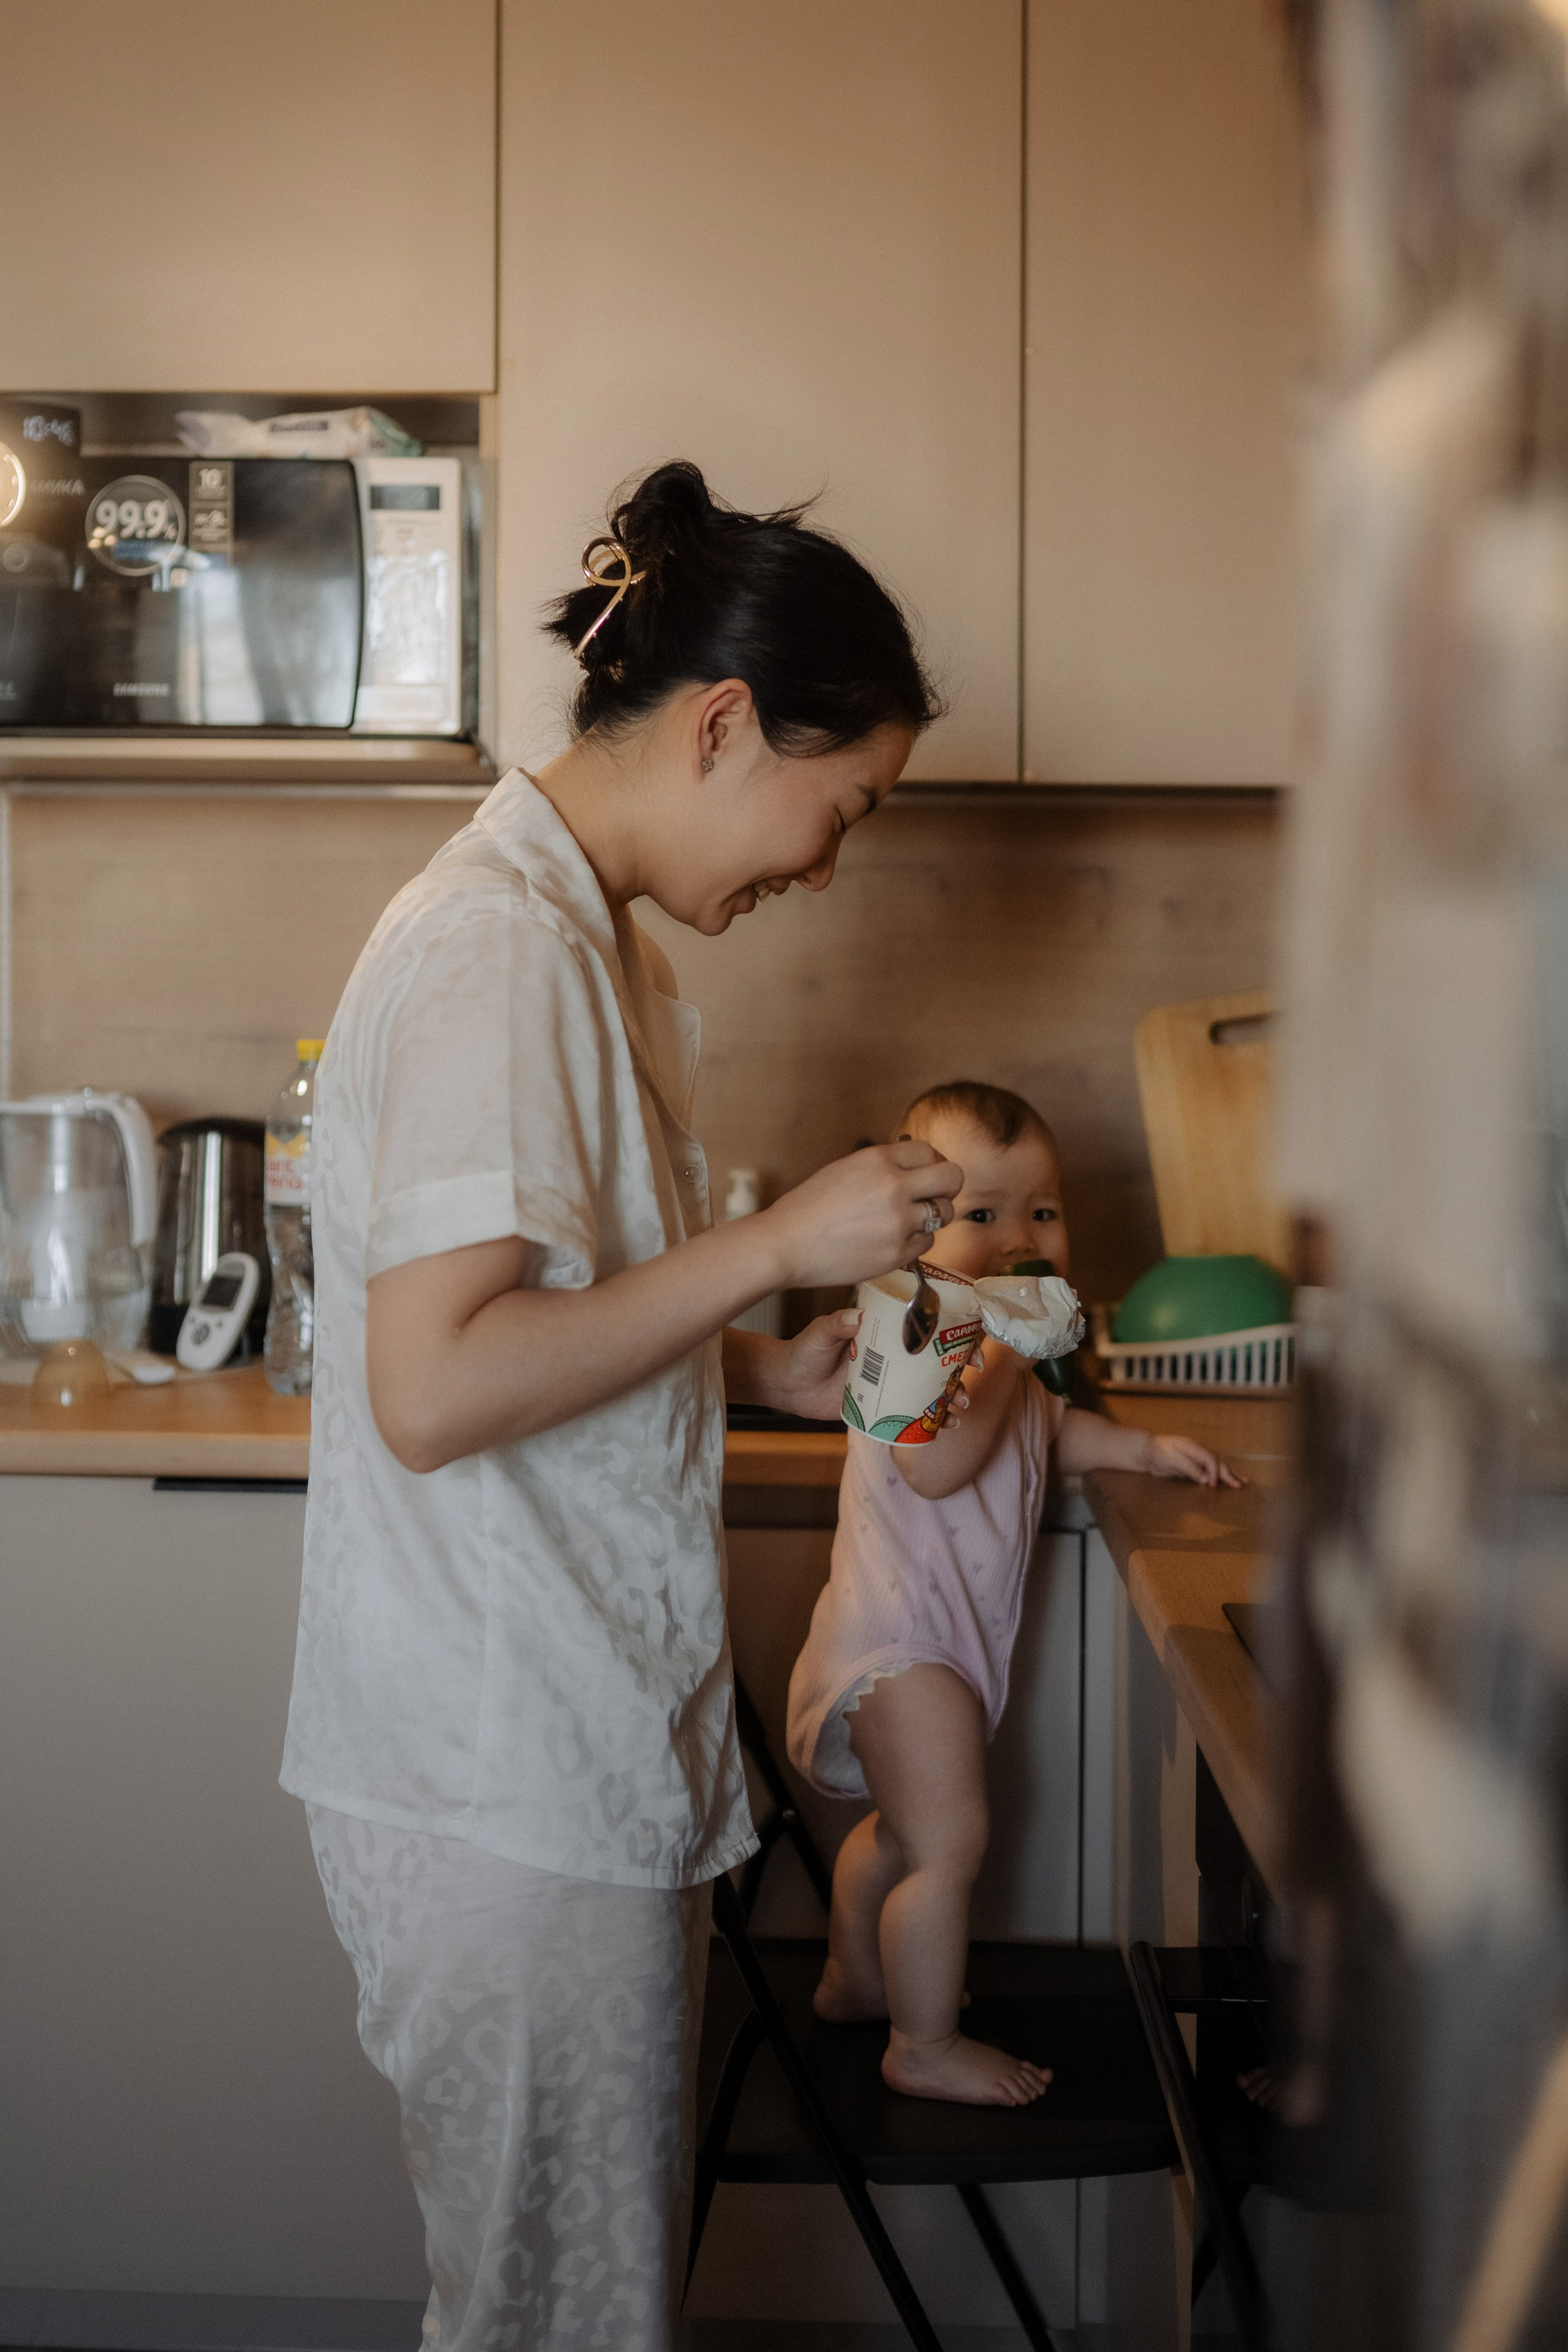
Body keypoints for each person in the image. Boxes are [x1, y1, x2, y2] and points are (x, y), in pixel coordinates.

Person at [278, 462, 967, 2352]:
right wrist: (770, 1252)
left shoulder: (590, 941)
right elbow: (431, 1389)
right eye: (842, 812)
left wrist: (751, 1364)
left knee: (573, 2309)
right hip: (503, 1775)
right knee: (552, 2325)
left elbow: (548, 1326)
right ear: (729, 723)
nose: (826, 864)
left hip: (551, 1752)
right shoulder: (500, 946)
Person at [786, 1080, 1243, 2107]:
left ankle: (856, 1978)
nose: (1016, 1240)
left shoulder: (1006, 1361)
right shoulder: (917, 1333)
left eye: (1042, 1212)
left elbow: (1046, 1428)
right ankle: (925, 2040)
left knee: (904, 1836)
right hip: (903, 1644)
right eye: (979, 1217)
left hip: (919, 1641)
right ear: (908, 1237)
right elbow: (937, 1461)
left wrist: (1142, 1447)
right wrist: (1002, 1341)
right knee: (952, 1846)